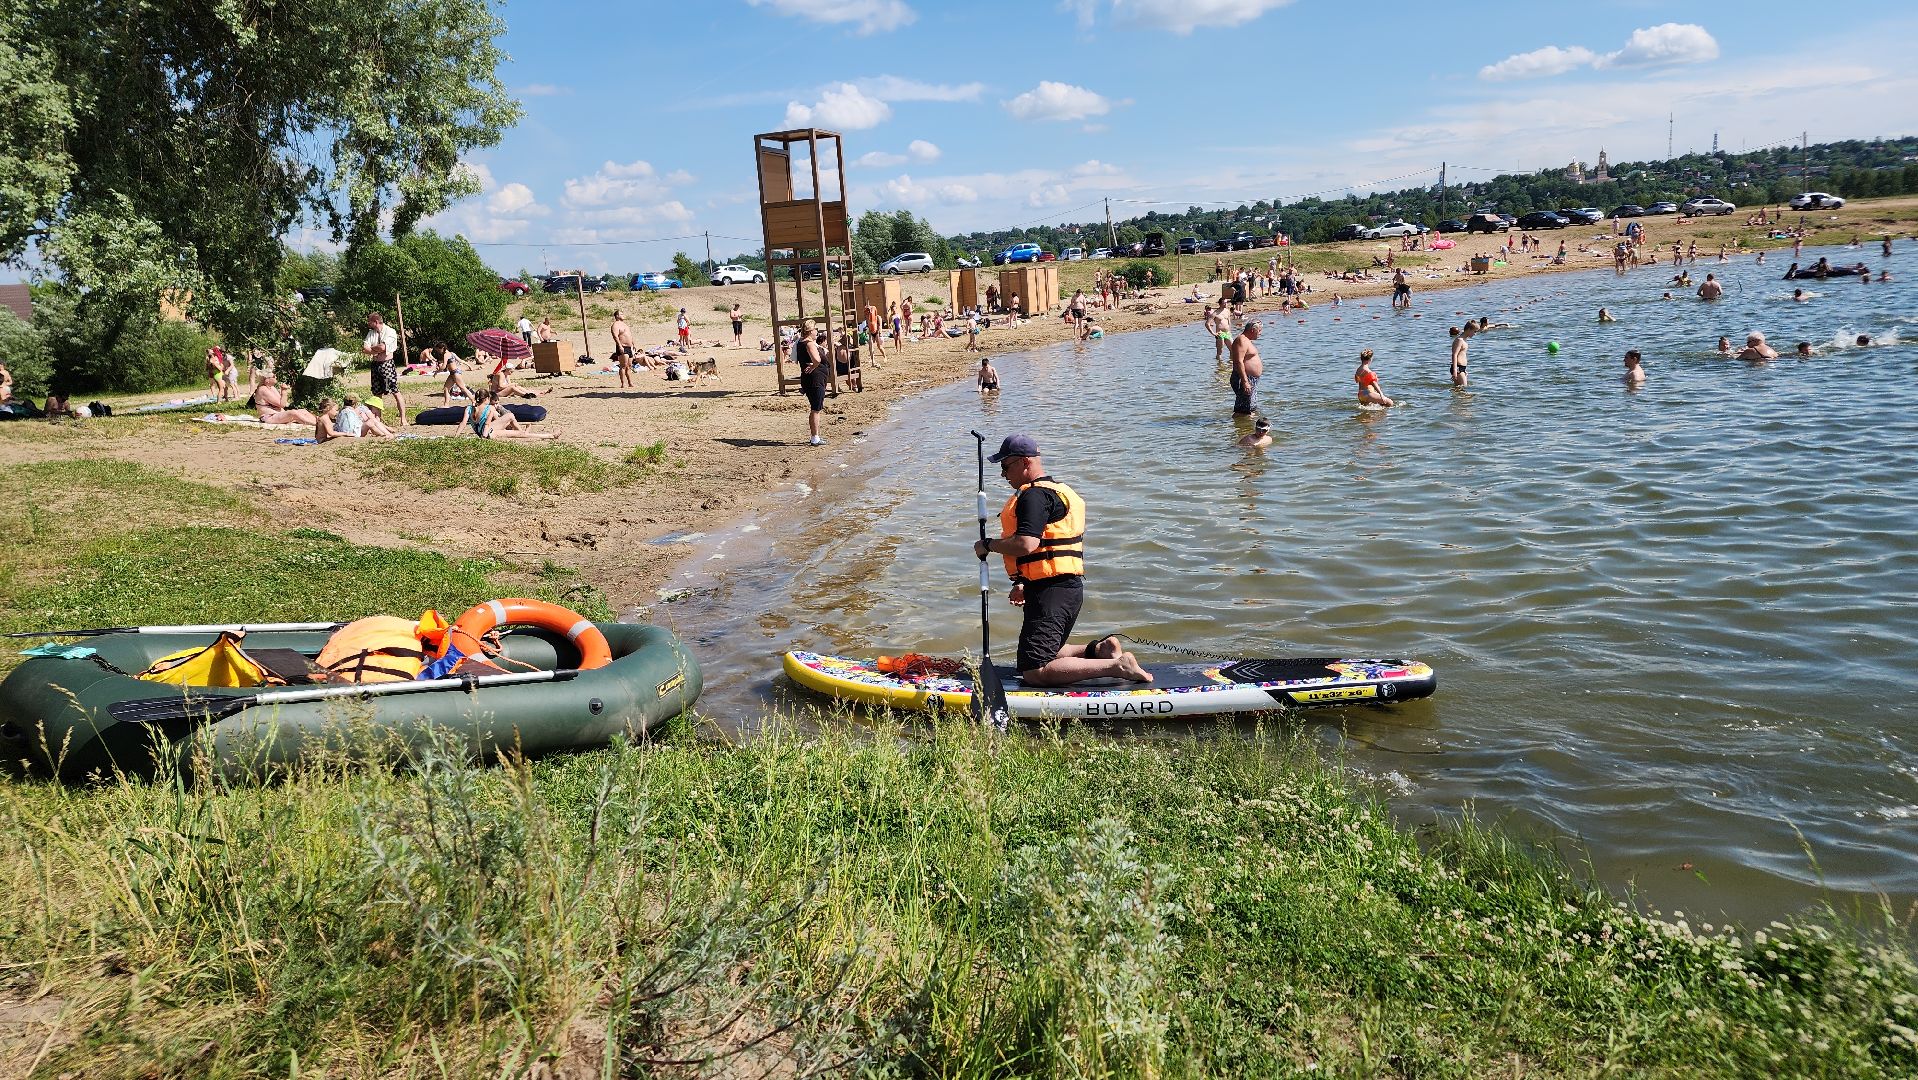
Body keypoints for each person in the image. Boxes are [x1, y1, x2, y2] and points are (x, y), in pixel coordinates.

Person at [974, 434, 1150, 687]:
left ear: (1025, 462)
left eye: (1005, 466)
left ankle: (1118, 666)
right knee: (1046, 652)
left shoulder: (1034, 496)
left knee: (1034, 670)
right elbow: (1043, 549)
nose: (1003, 474)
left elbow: (1026, 544)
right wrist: (1023, 582)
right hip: (1063, 588)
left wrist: (987, 545)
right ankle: (1099, 650)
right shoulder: (1057, 491)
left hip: (1052, 591)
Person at [361, 311, 406, 427]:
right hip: (375, 365)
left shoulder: (390, 331)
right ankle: (378, 420)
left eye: (370, 322)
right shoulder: (371, 333)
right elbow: (364, 348)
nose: (368, 324)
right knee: (377, 393)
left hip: (387, 364)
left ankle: (403, 419)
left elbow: (383, 347)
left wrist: (372, 349)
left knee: (395, 391)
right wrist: (375, 350)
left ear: (376, 321)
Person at [465, 388, 556, 441]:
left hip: (488, 431)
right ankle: (549, 435)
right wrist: (484, 437)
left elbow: (464, 423)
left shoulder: (471, 409)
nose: (496, 405)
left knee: (510, 417)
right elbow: (487, 424)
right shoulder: (489, 409)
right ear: (487, 400)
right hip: (490, 433)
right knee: (520, 433)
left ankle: (522, 431)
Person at [793, 319, 827, 446]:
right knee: (816, 409)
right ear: (810, 331)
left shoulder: (801, 342)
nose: (817, 332)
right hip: (814, 379)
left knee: (815, 407)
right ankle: (815, 438)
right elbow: (817, 360)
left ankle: (815, 436)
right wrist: (814, 365)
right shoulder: (809, 343)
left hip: (809, 379)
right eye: (815, 329)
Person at [1228, 321, 1262, 415]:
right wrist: (1245, 381)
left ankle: (1247, 424)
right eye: (1259, 331)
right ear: (1252, 330)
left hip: (1250, 379)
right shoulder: (1241, 340)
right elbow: (1238, 361)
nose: (1260, 333)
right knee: (1242, 411)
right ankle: (1239, 424)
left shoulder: (1247, 340)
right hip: (1244, 378)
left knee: (1250, 409)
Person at [252, 378, 317, 426]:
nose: (275, 377)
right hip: (269, 417)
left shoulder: (271, 388)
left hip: (278, 413)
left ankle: (318, 421)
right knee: (293, 413)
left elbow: (282, 401)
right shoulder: (263, 390)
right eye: (273, 376)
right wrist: (284, 391)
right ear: (267, 380)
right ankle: (315, 424)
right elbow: (282, 405)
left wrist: (283, 391)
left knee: (303, 411)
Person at [611, 311, 636, 390]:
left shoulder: (625, 325)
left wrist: (633, 344)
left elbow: (629, 335)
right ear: (617, 316)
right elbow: (615, 336)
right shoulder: (615, 325)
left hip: (629, 347)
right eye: (621, 314)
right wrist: (620, 346)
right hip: (622, 347)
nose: (623, 315)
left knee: (629, 366)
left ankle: (630, 382)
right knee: (623, 366)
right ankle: (623, 383)